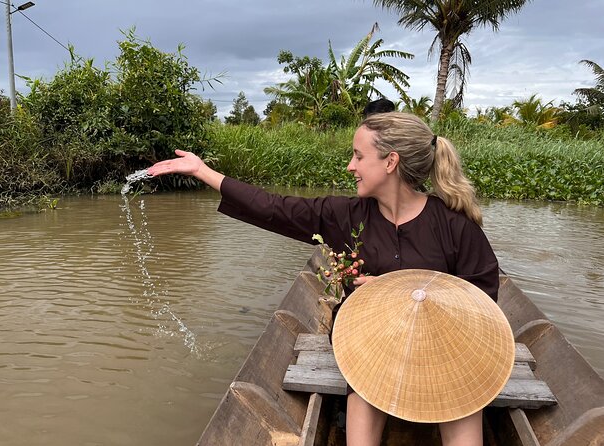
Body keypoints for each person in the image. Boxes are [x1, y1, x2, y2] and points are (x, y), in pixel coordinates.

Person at [146, 111, 499, 446]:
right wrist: (204, 172)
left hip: (444, 354)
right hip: (369, 349)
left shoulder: (454, 225)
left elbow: (483, 303)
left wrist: (398, 292)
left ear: (390, 162)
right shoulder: (344, 215)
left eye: (359, 157)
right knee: (363, 392)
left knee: (466, 402)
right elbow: (274, 208)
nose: (351, 166)